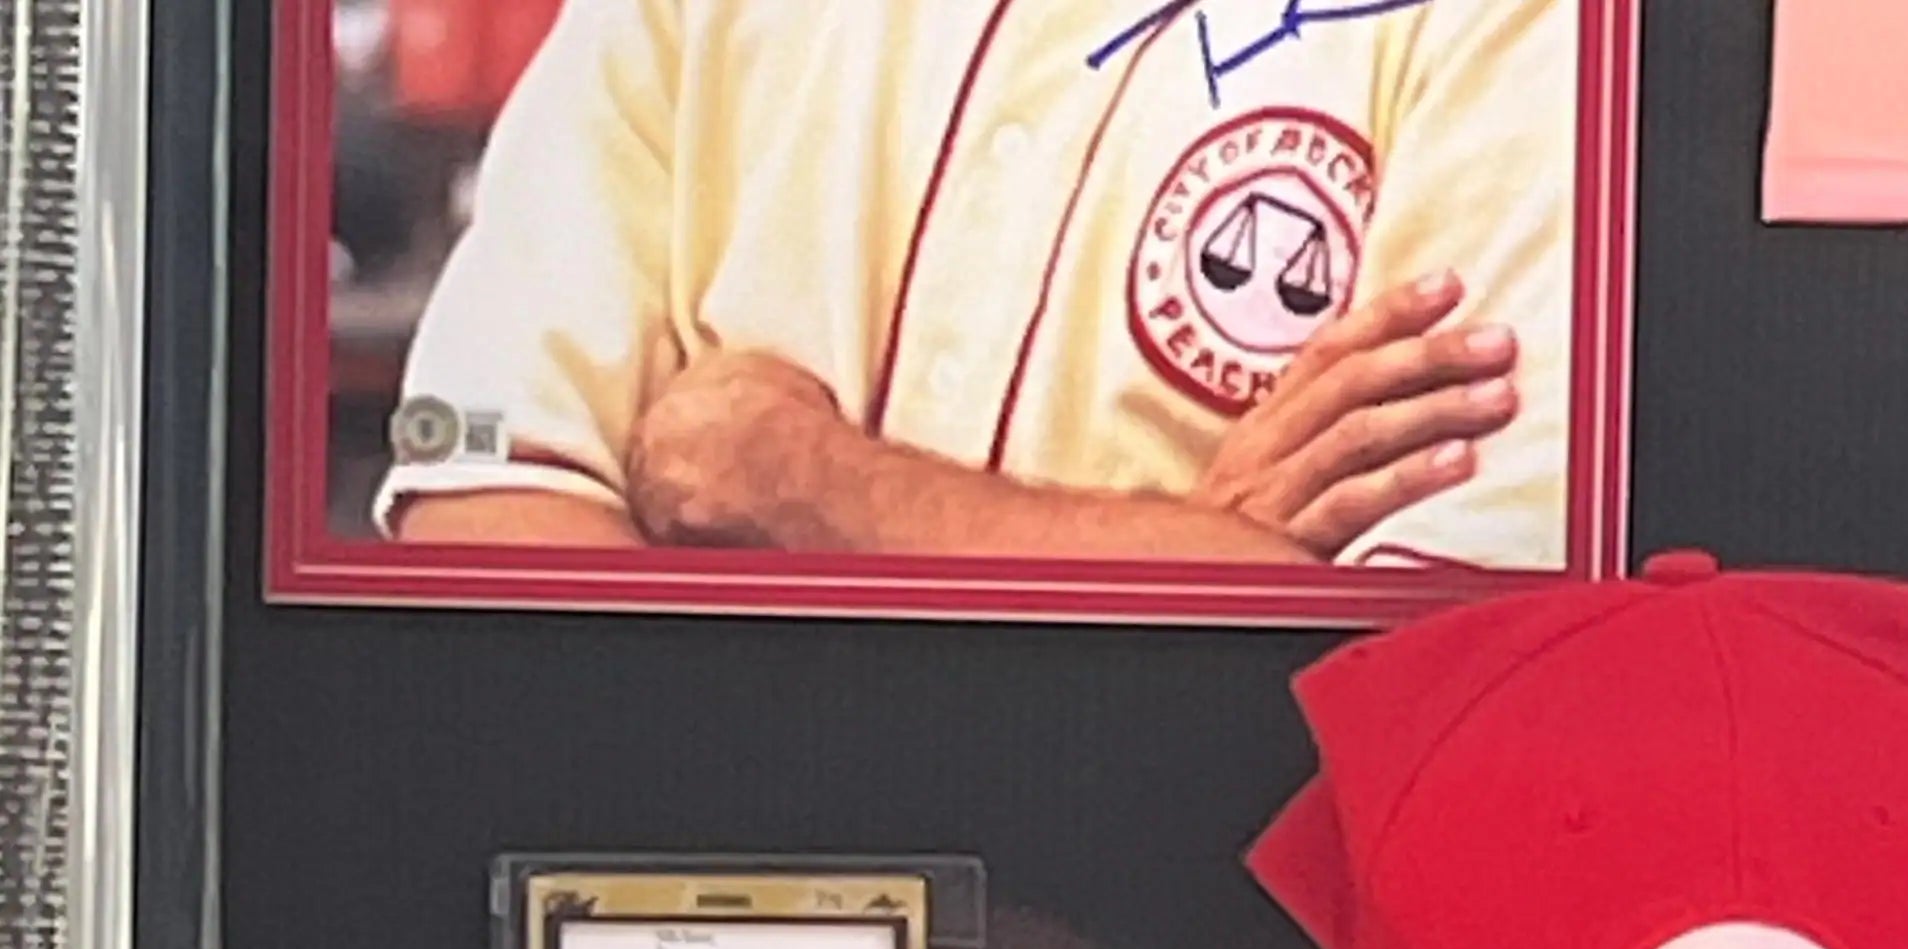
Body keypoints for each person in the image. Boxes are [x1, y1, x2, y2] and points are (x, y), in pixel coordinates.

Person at [376, 0, 1579, 571]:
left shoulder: (1506, 24)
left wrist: (813, 490)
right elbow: (481, 504)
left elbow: (1449, 656)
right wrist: (1196, 557)